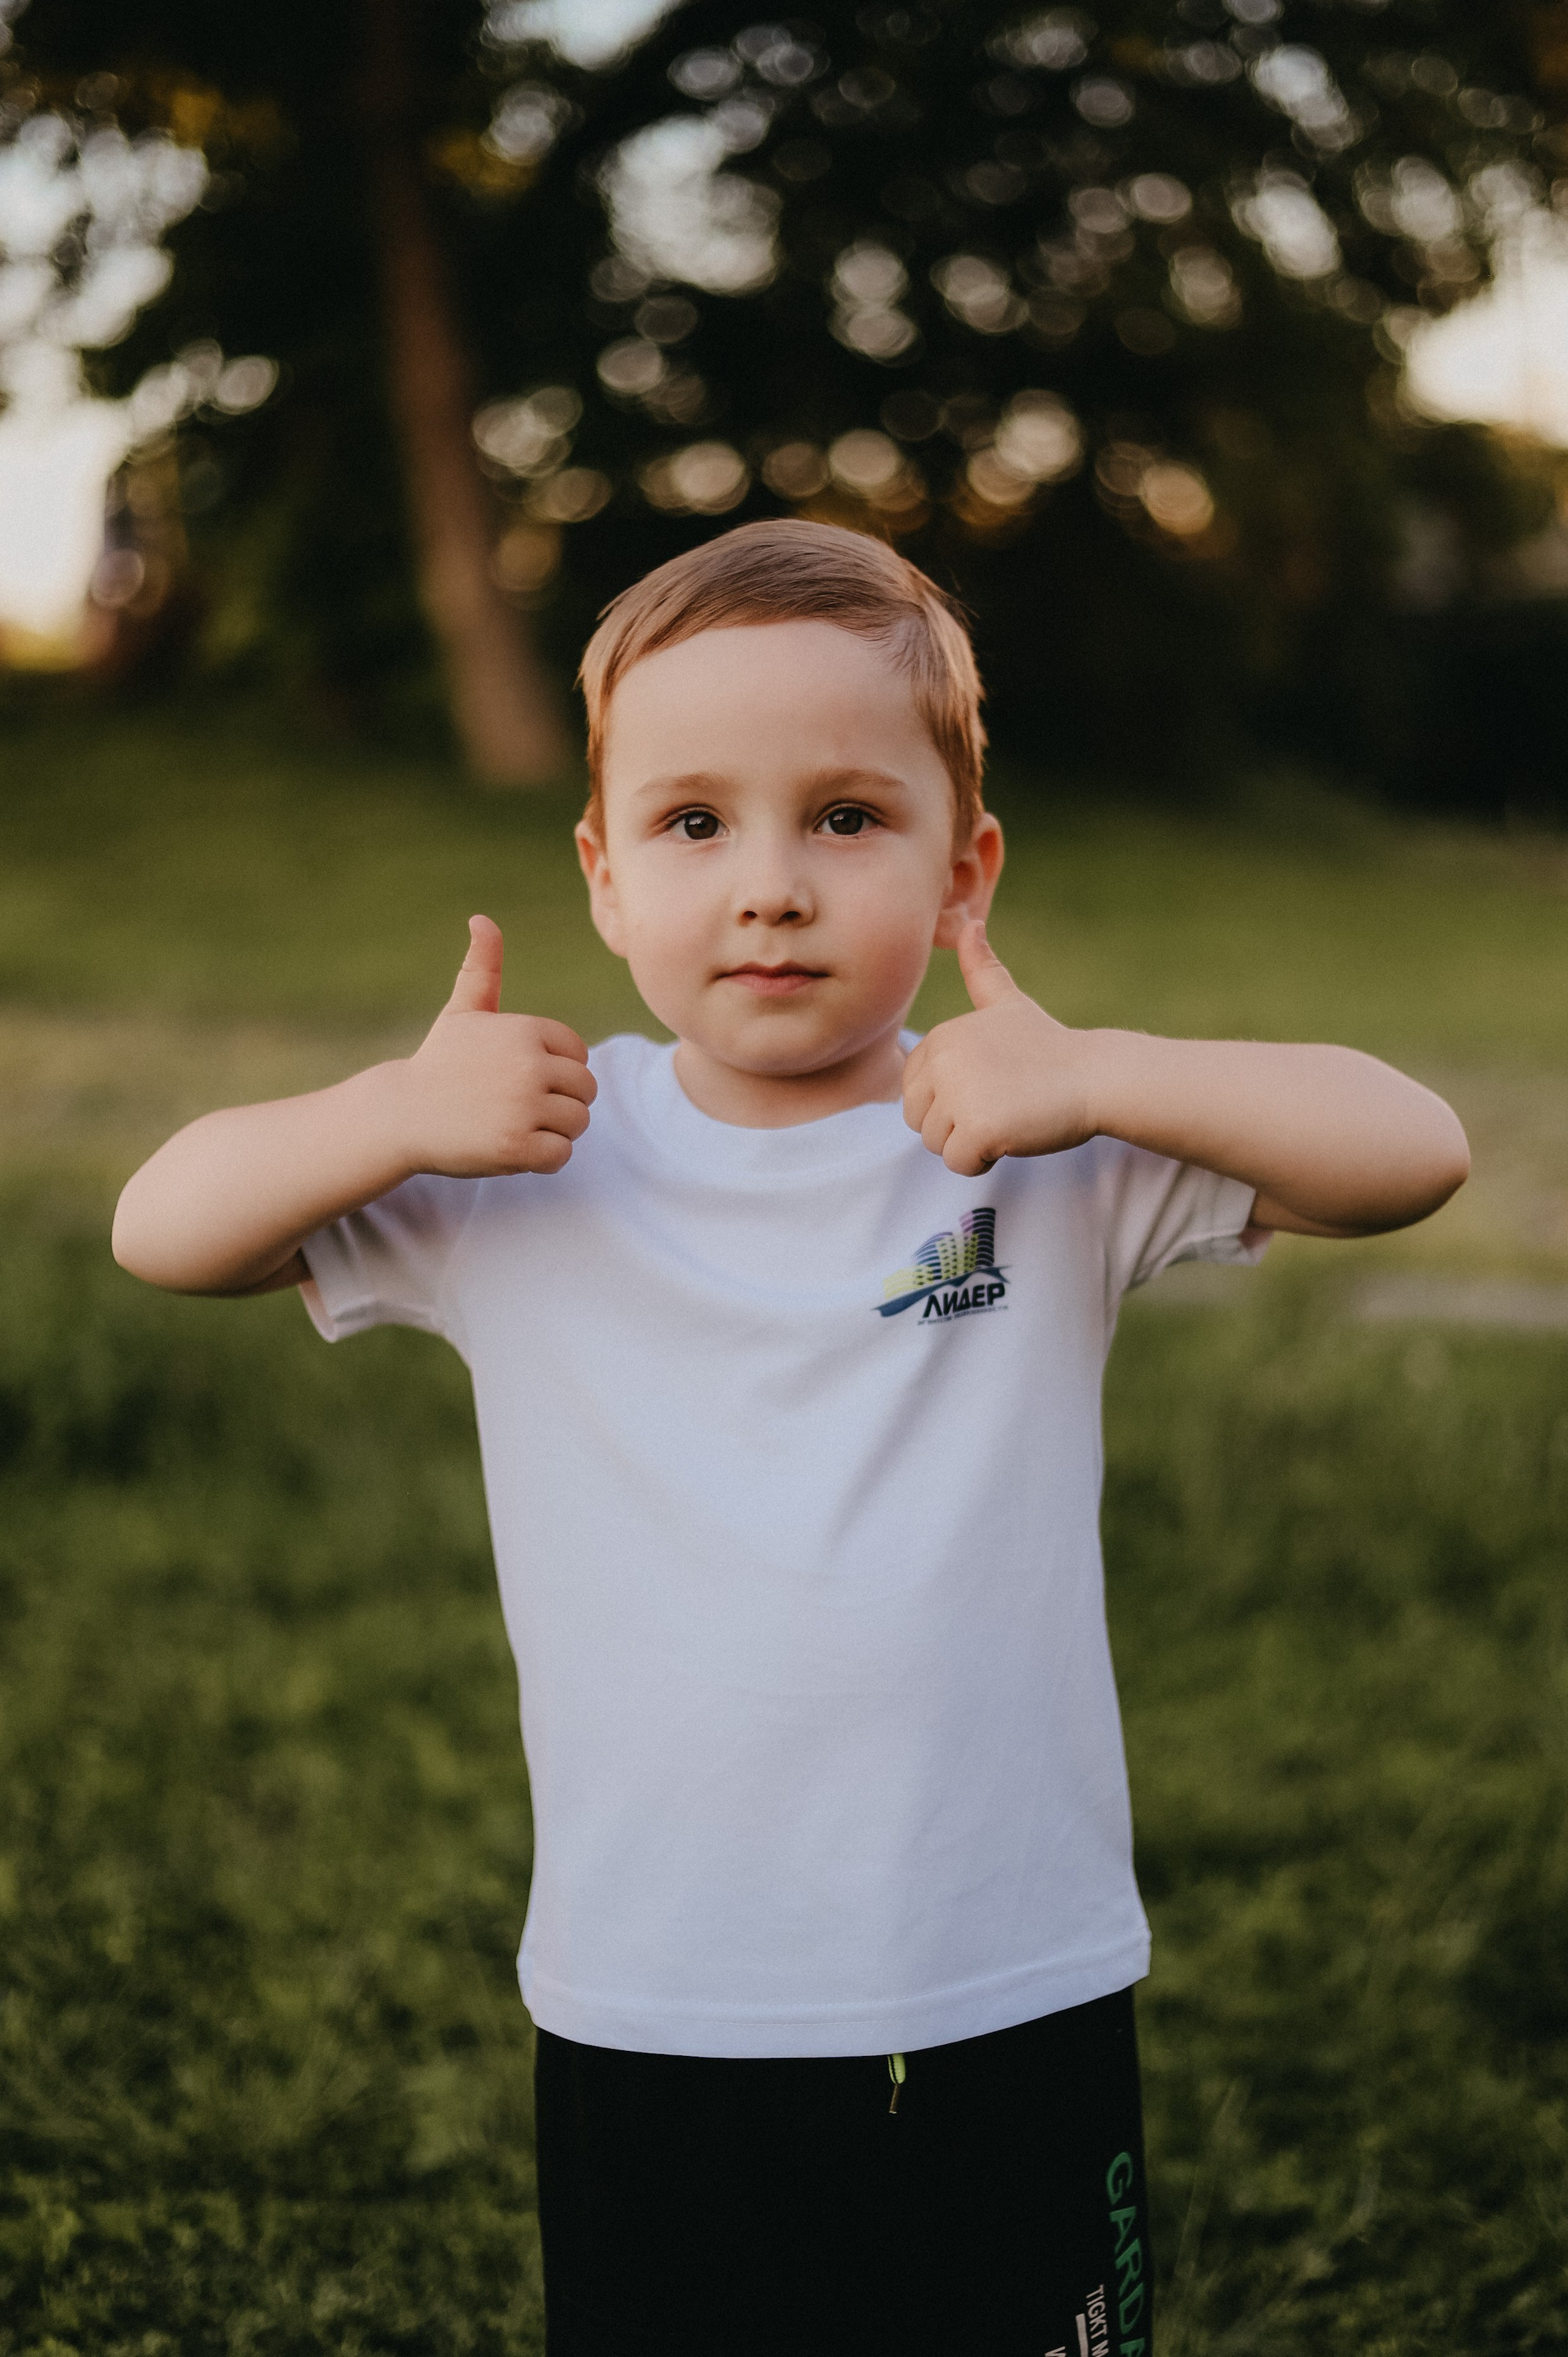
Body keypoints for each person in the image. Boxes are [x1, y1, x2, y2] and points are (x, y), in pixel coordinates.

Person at [113, 520, 1468, 2357]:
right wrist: (391, 1109)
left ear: (964, 864)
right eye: (694, 825)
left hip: (1009, 1970)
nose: (769, 886)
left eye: (845, 817)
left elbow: (1412, 1151)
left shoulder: (1031, 1144)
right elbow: (166, 1229)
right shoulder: (529, 1152)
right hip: (664, 1992)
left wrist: (1100, 1073)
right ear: (600, 877)